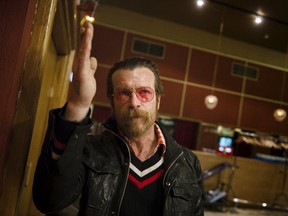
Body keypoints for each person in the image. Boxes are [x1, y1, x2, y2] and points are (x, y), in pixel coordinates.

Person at [33, 21, 204, 216]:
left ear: (158, 101)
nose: (134, 102)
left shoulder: (188, 163)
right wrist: (79, 104)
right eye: (124, 93)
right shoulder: (89, 152)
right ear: (112, 102)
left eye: (144, 92)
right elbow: (48, 200)